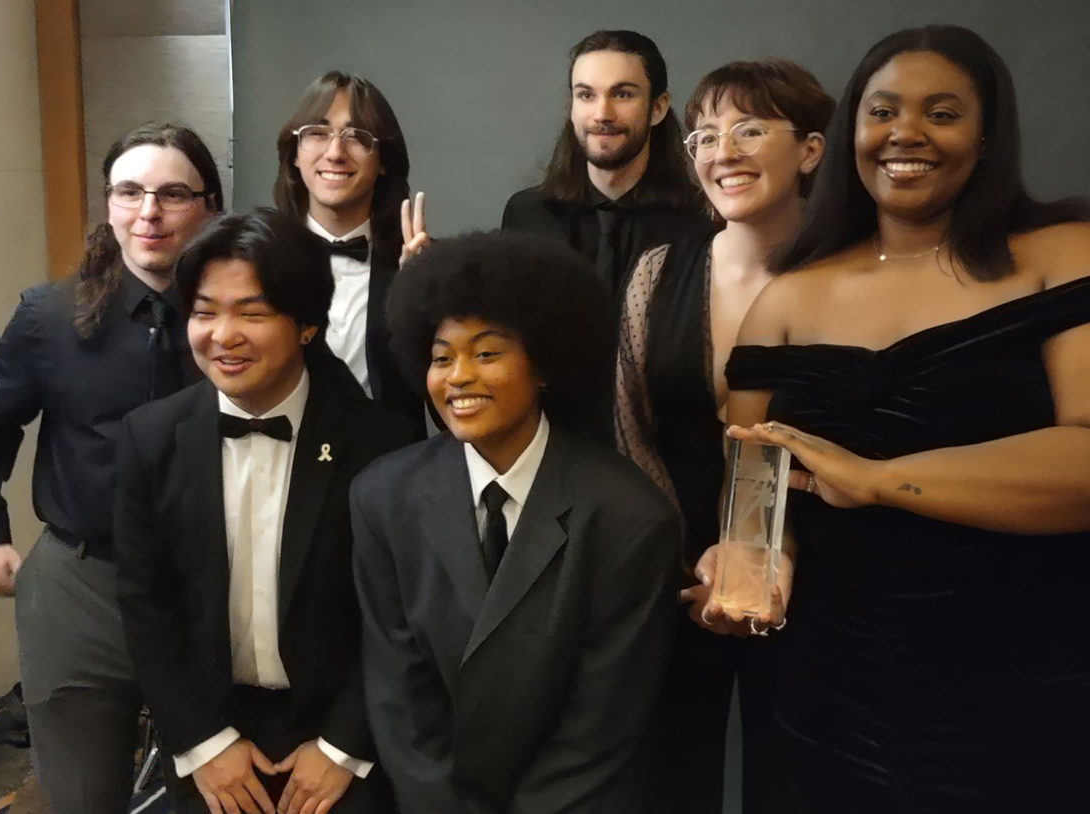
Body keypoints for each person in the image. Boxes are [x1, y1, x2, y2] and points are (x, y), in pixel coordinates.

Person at [701, 25, 1090, 813]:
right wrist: (752, 567)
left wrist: (883, 480)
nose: (905, 133)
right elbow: (759, 480)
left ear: (988, 136)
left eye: (942, 112)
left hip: (1065, 683)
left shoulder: (1075, 252)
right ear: (851, 131)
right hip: (843, 689)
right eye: (881, 110)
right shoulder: (786, 297)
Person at [351, 231, 682, 813]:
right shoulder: (382, 497)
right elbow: (399, 696)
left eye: (485, 353)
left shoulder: (630, 516)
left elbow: (602, 722)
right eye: (440, 356)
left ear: (544, 364)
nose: (457, 377)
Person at [0, 123, 222, 813]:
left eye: (172, 194)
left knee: (220, 795)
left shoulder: (243, 321)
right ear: (109, 205)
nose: (149, 212)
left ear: (209, 207)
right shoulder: (48, 315)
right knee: (81, 798)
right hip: (80, 584)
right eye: (129, 191)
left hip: (214, 589)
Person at [115, 209, 417, 814]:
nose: (223, 335)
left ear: (307, 324)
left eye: (251, 313)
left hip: (344, 735)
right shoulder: (150, 438)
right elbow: (147, 605)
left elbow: (402, 616)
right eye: (205, 311)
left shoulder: (384, 444)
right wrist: (200, 741)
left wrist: (341, 746)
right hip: (212, 735)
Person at [615, 59, 831, 813]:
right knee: (675, 779)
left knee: (805, 779)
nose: (720, 150)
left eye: (748, 128)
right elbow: (630, 427)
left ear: (811, 149)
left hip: (829, 574)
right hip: (678, 574)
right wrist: (689, 562)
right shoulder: (657, 271)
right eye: (703, 134)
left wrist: (774, 558)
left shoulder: (855, 277)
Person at [501, 29, 708, 295]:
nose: (602, 114)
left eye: (622, 94)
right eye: (586, 95)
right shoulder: (525, 214)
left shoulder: (700, 221)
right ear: (572, 108)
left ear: (657, 109)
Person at [274, 71, 425, 429]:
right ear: (295, 154)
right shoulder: (262, 262)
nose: (335, 152)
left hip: (391, 469)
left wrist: (421, 298)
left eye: (357, 136)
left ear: (384, 160)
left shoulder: (417, 265)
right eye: (317, 133)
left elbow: (445, 407)